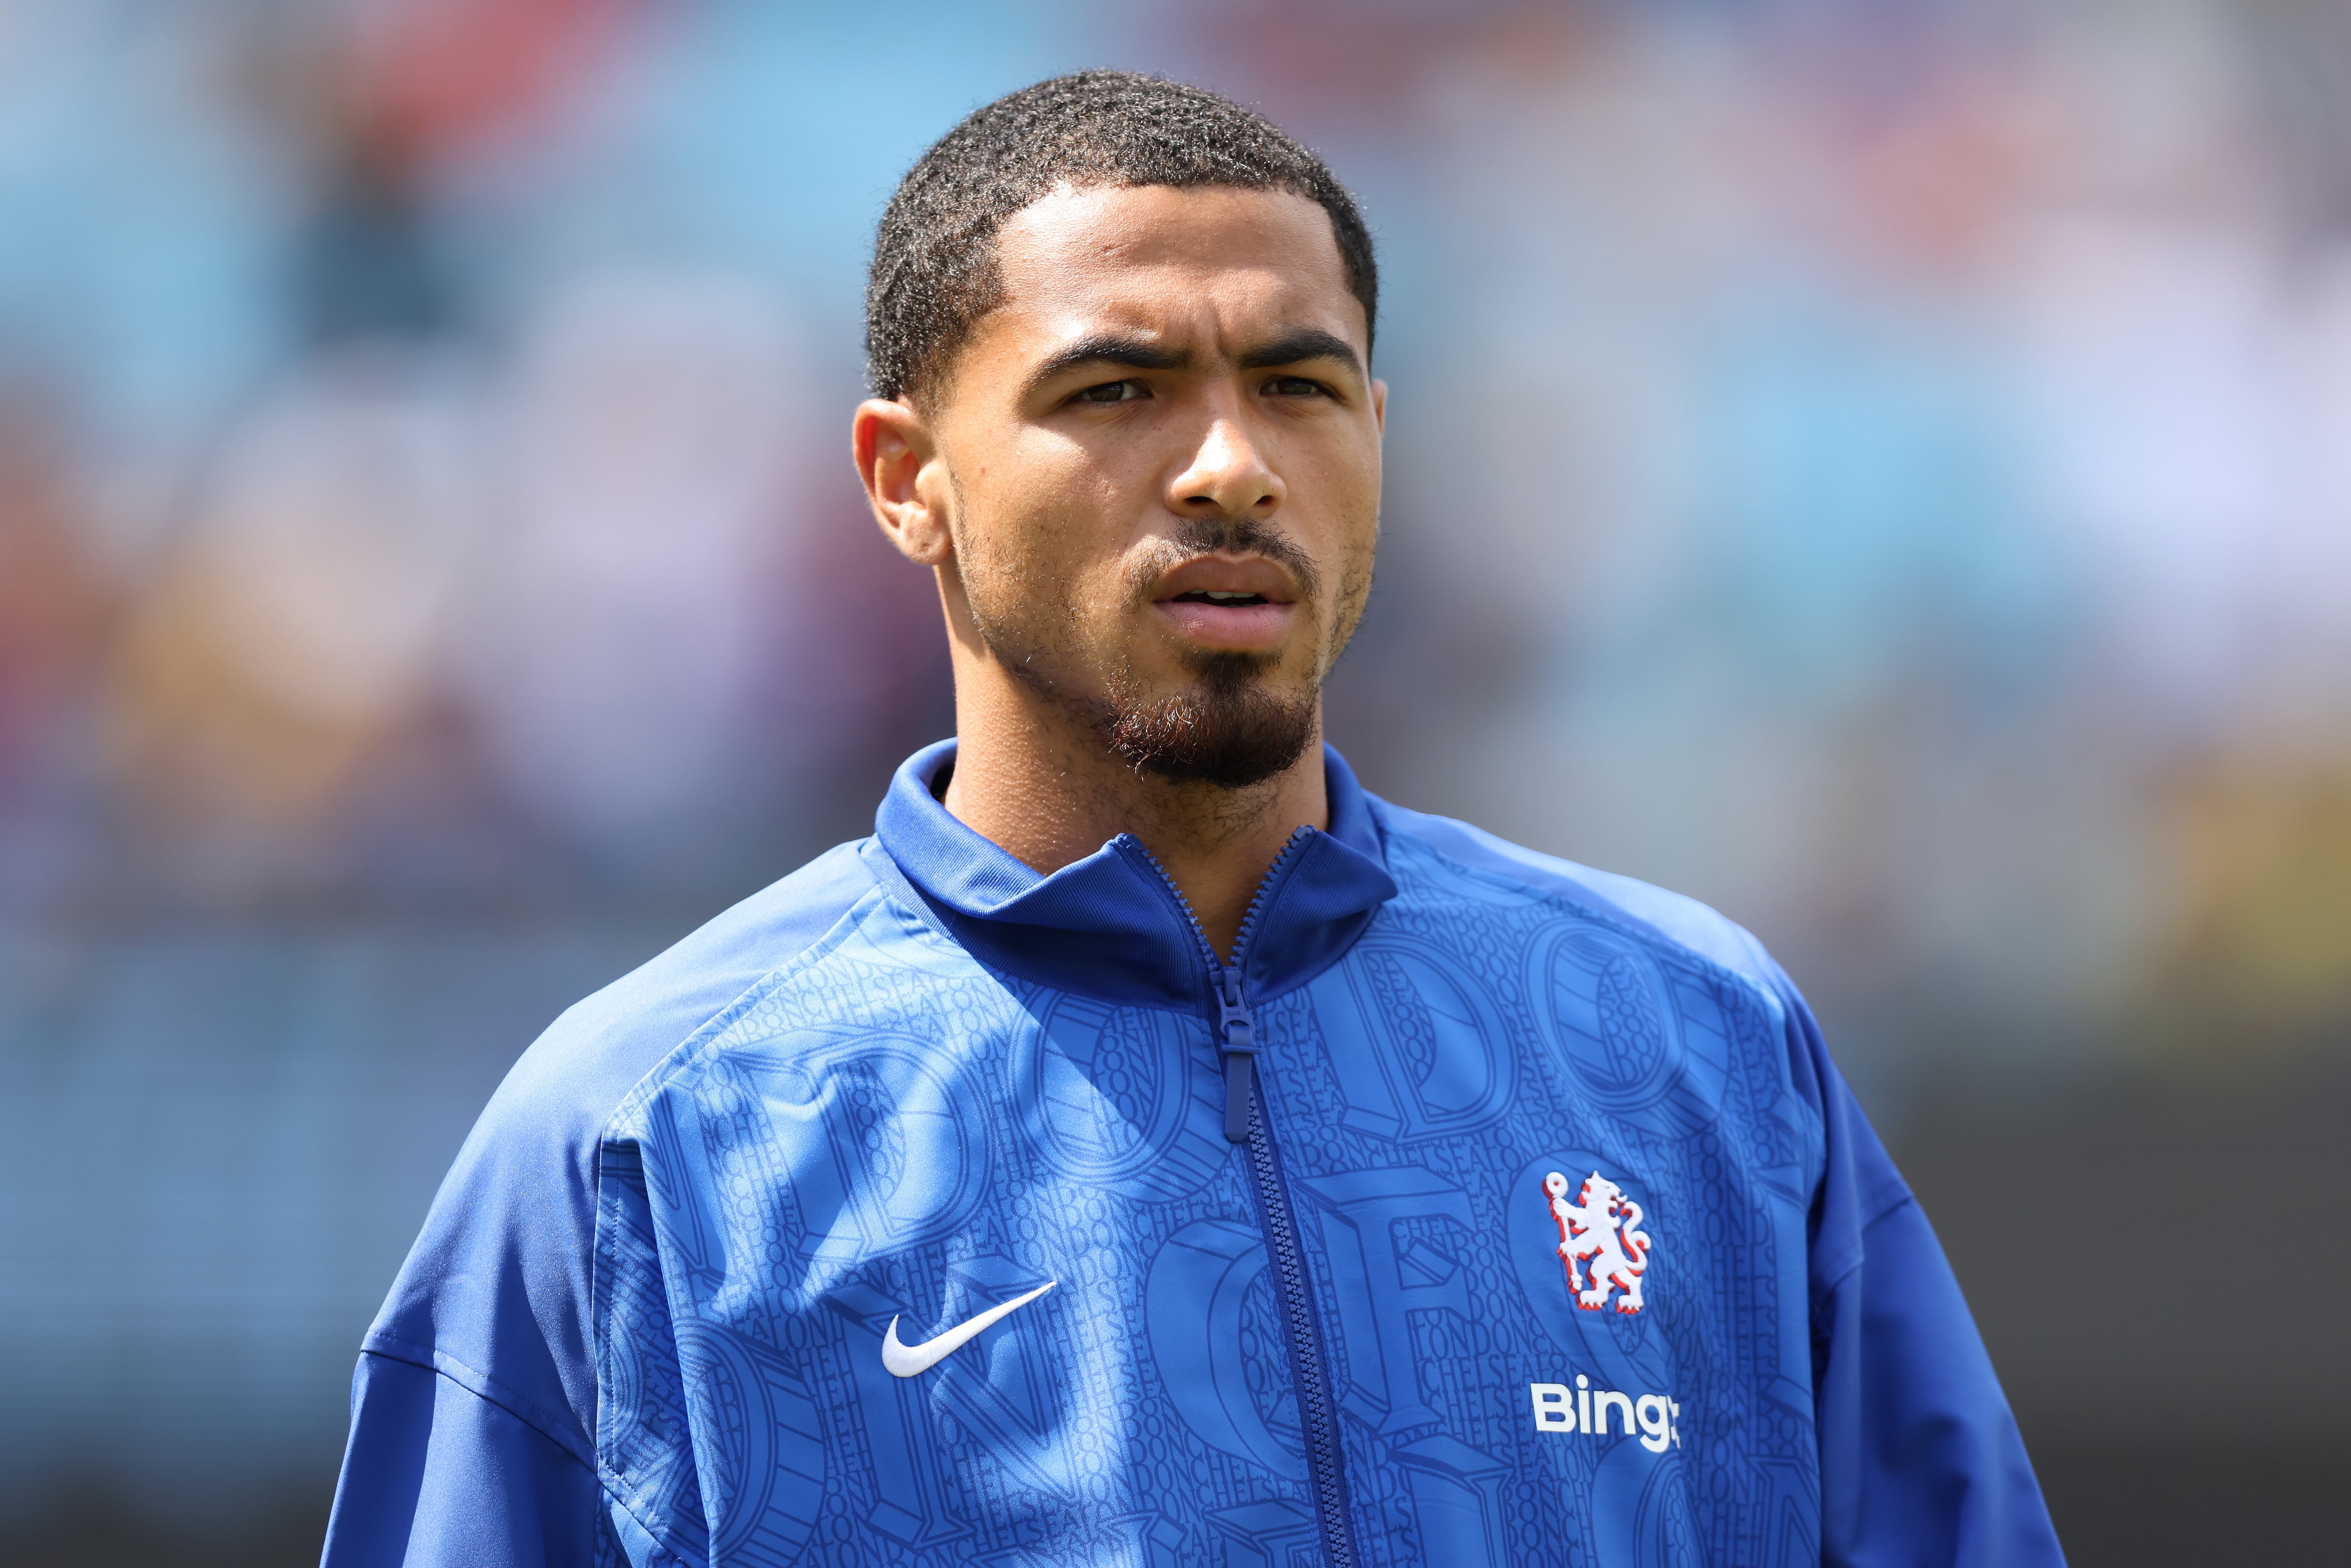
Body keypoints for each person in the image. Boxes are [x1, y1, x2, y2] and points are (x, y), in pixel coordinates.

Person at [320, 71, 2064, 1568]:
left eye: (1300, 387)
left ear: (1378, 438)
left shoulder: (1697, 1041)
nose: (1231, 462)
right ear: (905, 478)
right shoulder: (642, 1136)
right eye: (1116, 389)